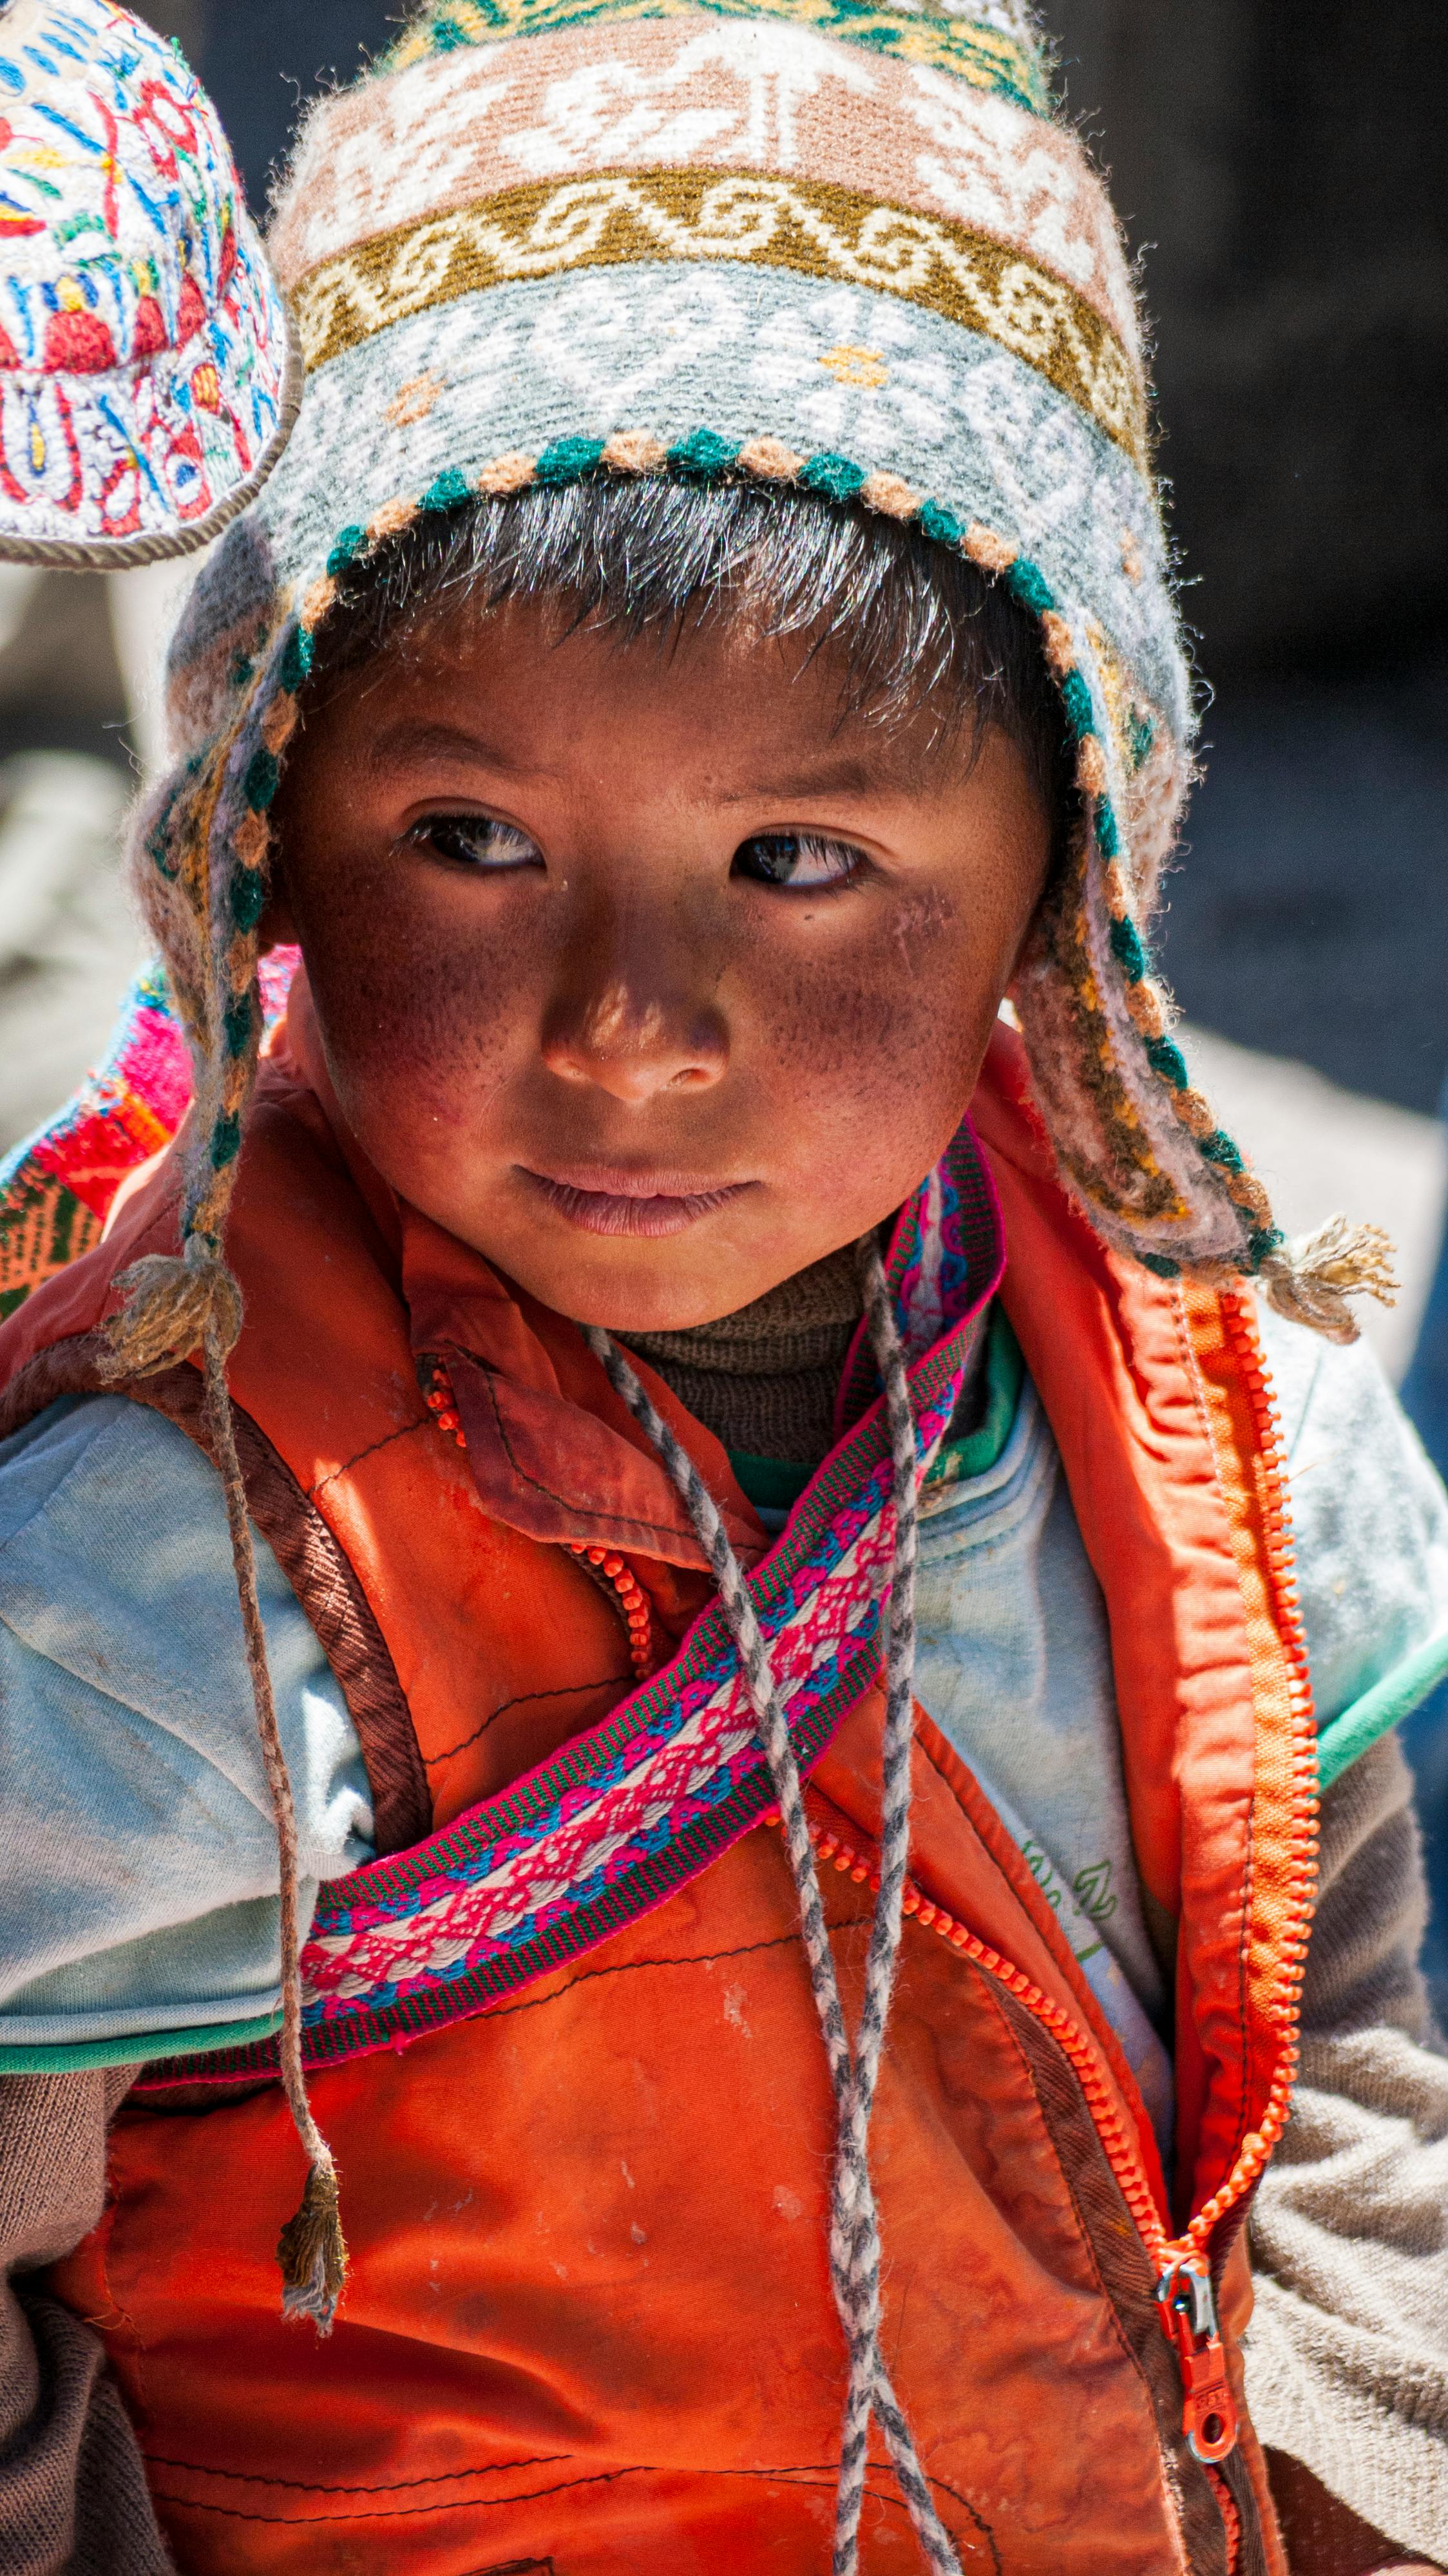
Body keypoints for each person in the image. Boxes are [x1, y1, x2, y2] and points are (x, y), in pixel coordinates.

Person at [0, 3, 1445, 2571]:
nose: (629, 1029)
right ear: (265, 837)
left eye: (800, 860)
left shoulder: (1227, 1433)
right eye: (468, 833)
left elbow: (1345, 2070)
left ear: (1062, 880)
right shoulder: (137, 1582)